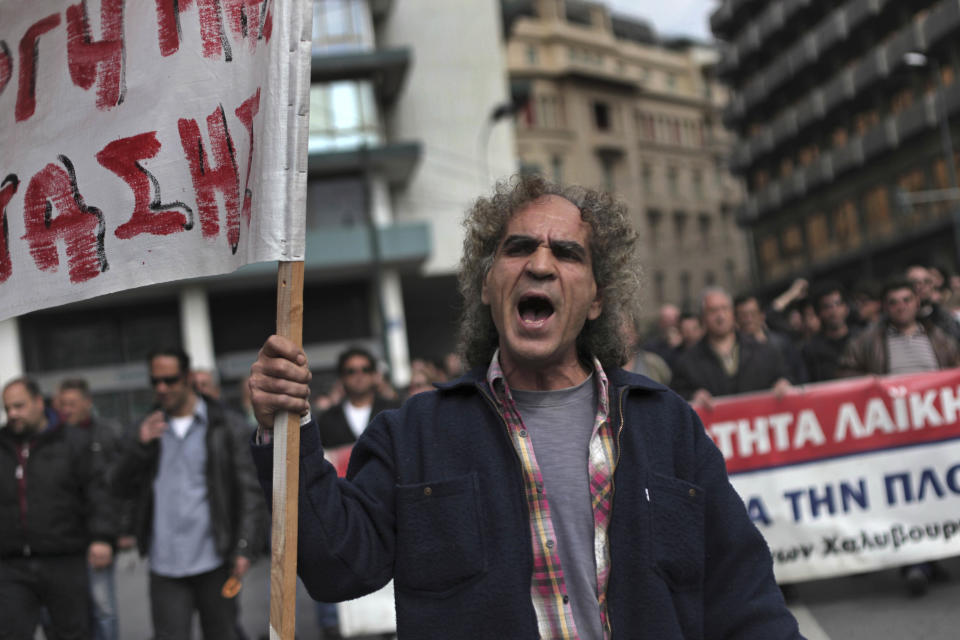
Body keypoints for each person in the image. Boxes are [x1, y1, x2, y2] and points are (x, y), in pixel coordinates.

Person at [247, 175, 801, 639]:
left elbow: (744, 599)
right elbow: (335, 565)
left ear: (597, 300)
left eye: (566, 252)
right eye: (517, 248)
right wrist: (286, 428)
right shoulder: (415, 435)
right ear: (487, 286)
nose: (540, 264)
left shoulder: (667, 425)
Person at [111, 348, 262, 640]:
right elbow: (116, 484)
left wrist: (245, 546)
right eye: (155, 381)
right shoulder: (144, 429)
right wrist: (139, 446)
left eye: (170, 380)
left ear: (189, 378)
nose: (162, 388)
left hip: (215, 557)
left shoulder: (225, 425)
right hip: (165, 562)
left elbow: (249, 491)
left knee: (223, 634)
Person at [837, 279, 960, 595]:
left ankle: (933, 559)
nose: (901, 306)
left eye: (907, 300)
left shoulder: (940, 339)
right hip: (893, 440)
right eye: (894, 301)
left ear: (916, 304)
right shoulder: (868, 342)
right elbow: (845, 375)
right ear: (885, 307)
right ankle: (915, 564)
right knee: (907, 501)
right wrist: (867, 384)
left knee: (939, 498)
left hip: (937, 435)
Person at [0, 377, 116, 640]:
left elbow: (98, 492)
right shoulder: (3, 447)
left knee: (73, 632)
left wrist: (101, 537)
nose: (13, 414)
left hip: (64, 559)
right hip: (11, 564)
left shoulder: (73, 442)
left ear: (39, 403)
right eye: (8, 409)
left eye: (19, 406)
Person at [313, 346, 400, 638]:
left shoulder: (394, 409)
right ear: (342, 378)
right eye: (351, 371)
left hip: (391, 510)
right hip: (344, 511)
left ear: (375, 374)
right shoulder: (326, 419)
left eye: (364, 369)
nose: (359, 376)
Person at [49, 379, 128, 640]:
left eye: (72, 403)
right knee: (63, 611)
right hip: (63, 539)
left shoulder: (107, 434)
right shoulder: (52, 439)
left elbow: (118, 487)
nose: (66, 409)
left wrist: (111, 534)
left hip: (98, 537)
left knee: (102, 607)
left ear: (88, 402)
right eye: (62, 404)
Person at [671, 287, 792, 410]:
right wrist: (693, 396)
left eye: (725, 309)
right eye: (713, 311)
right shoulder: (687, 362)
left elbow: (784, 376)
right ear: (703, 317)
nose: (720, 316)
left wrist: (783, 383)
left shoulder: (764, 351)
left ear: (733, 313)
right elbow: (676, 397)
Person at [733, 294, 807, 383]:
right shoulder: (733, 351)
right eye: (743, 315)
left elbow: (799, 373)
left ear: (762, 315)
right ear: (735, 319)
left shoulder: (782, 343)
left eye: (752, 313)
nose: (748, 319)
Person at [802, 283, 856, 383]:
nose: (833, 311)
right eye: (827, 307)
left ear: (846, 308)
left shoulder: (861, 339)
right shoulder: (811, 350)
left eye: (838, 304)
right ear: (819, 313)